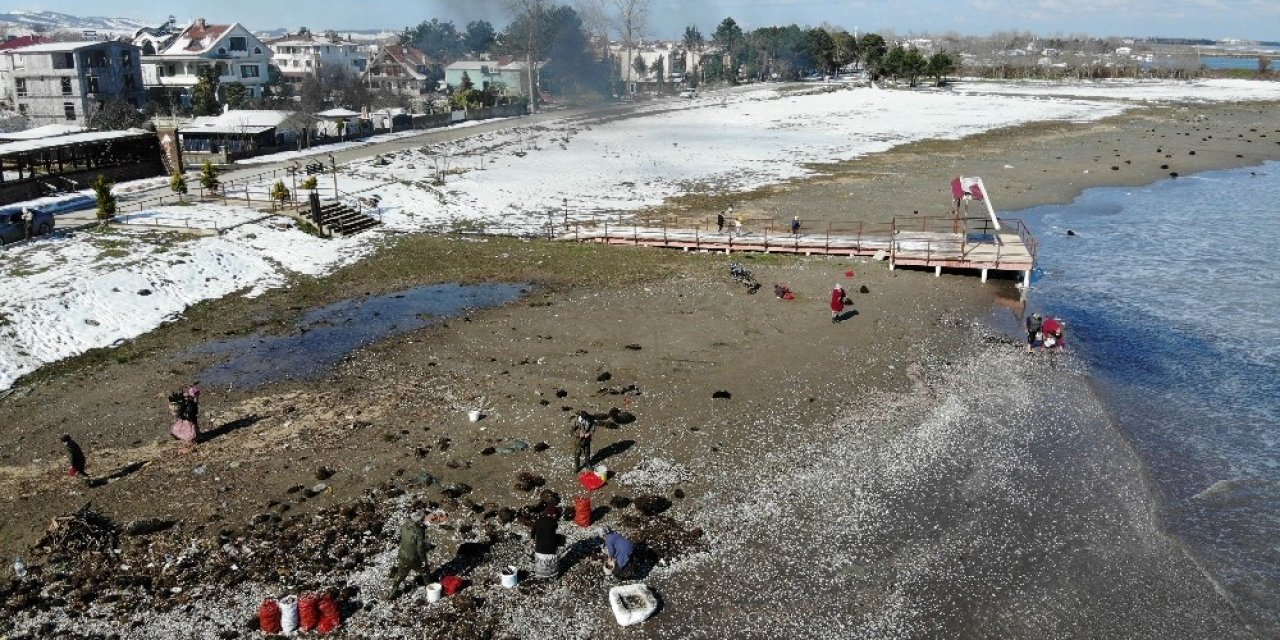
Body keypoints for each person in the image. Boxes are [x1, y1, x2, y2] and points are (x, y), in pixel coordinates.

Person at [390, 512, 433, 595]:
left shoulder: (405, 525)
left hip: (402, 554)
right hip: (413, 558)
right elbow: (420, 549)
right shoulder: (419, 532)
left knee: (401, 574)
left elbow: (410, 533)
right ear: (419, 522)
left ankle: (393, 590)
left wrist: (423, 526)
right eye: (423, 519)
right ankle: (430, 590)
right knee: (424, 571)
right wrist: (424, 561)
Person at [531, 505, 561, 579]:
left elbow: (533, 531)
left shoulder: (538, 521)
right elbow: (553, 533)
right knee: (560, 538)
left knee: (540, 563)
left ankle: (540, 575)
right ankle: (553, 575)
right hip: (551, 549)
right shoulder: (554, 523)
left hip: (539, 549)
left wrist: (532, 538)